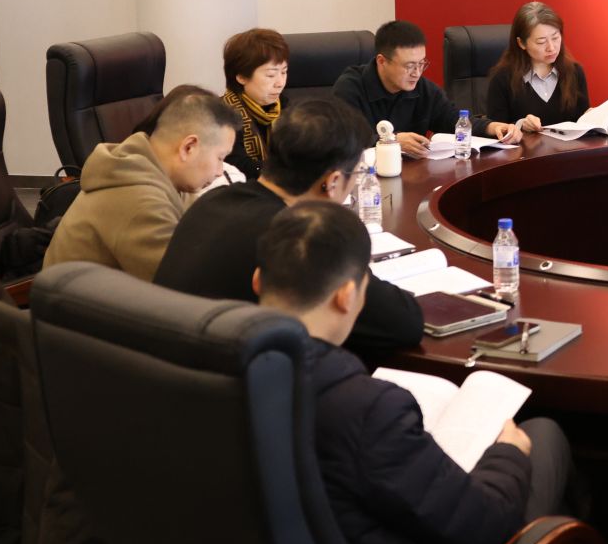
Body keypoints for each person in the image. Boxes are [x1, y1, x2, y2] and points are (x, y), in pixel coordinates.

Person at [254, 202, 584, 544]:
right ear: (347, 295)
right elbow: (483, 524)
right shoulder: (362, 410)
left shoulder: (224, 372)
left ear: (258, 282)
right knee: (542, 437)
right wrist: (509, 454)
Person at [154, 96, 425, 353]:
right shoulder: (297, 237)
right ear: (332, 182)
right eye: (356, 173)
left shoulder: (213, 201)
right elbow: (403, 322)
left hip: (168, 367)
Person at [42, 85, 238, 280]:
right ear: (188, 148)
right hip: (81, 300)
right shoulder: (140, 201)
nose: (220, 171)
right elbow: (189, 282)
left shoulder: (162, 176)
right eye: (220, 158)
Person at [331, 19, 459, 157]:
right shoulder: (350, 88)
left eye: (421, 63)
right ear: (382, 61)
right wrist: (392, 140)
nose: (417, 73)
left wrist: (477, 127)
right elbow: (343, 140)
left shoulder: (424, 89)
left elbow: (455, 121)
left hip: (412, 169)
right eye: (409, 66)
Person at [483, 1, 591, 143]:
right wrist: (521, 125)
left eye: (555, 37)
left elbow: (581, 126)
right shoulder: (502, 79)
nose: (551, 47)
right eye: (541, 42)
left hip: (569, 154)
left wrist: (592, 118)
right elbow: (496, 132)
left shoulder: (574, 72)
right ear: (521, 43)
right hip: (522, 155)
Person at [220, 27, 289, 182]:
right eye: (271, 75)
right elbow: (235, 165)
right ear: (241, 77)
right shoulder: (223, 115)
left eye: (284, 72)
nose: (280, 83)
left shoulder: (286, 108)